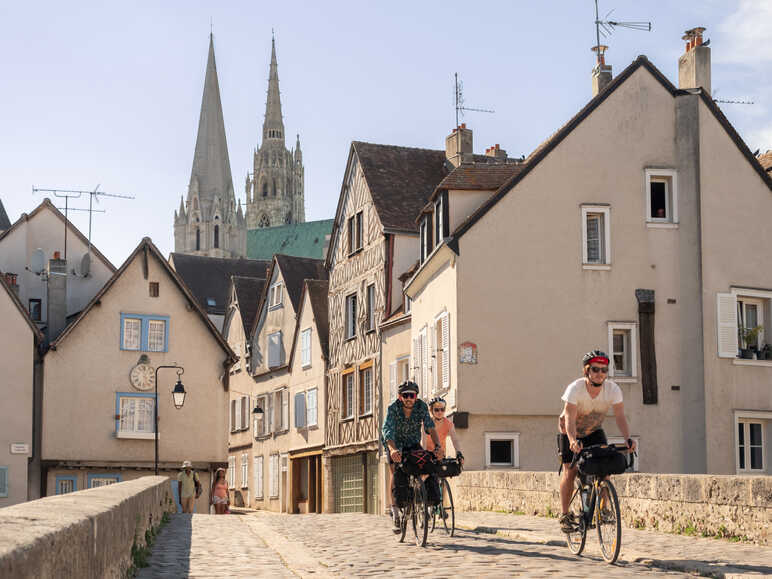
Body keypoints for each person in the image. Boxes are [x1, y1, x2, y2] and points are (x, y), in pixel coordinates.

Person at [557, 350, 637, 533]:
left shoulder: (613, 389)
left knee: (605, 469)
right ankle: (564, 514)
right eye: (595, 369)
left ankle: (604, 509)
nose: (600, 373)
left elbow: (620, 416)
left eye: (604, 370)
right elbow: (569, 417)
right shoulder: (575, 389)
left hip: (594, 432)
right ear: (587, 371)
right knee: (570, 471)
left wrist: (628, 439)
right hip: (569, 431)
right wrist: (571, 440)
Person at [382, 381, 444, 532]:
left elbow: (430, 427)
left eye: (412, 395)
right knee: (395, 473)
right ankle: (395, 510)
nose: (409, 398)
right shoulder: (393, 408)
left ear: (416, 397)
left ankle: (419, 497)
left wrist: (438, 446)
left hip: (412, 443)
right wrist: (392, 450)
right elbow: (387, 431)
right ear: (400, 396)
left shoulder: (421, 407)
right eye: (406, 395)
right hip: (395, 444)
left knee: (424, 464)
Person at [422, 397, 464, 466]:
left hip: (440, 456)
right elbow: (423, 442)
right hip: (427, 455)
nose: (440, 412)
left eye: (442, 409)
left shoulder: (448, 423)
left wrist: (459, 453)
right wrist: (424, 456)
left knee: (442, 474)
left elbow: (455, 440)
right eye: (436, 410)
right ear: (431, 411)